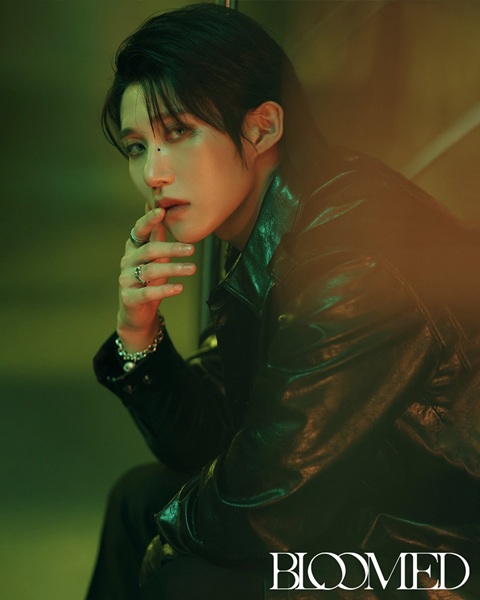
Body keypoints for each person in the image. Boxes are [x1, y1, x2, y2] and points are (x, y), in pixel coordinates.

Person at [86, 3, 480, 599]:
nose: (153, 174)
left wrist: (167, 539)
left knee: (186, 576)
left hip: (439, 552)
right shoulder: (266, 224)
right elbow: (213, 439)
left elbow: (264, 500)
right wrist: (138, 333)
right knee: (137, 498)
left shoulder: (351, 259)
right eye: (138, 147)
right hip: (367, 508)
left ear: (263, 127)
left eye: (178, 133)